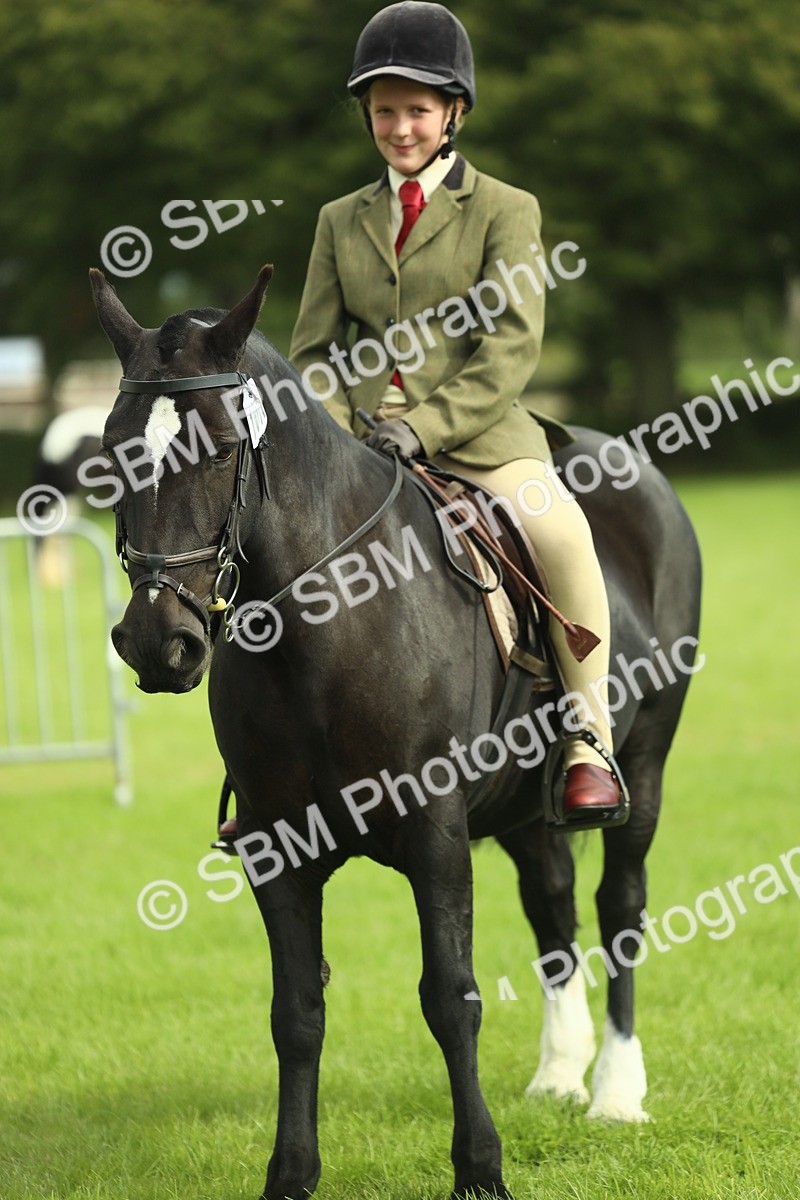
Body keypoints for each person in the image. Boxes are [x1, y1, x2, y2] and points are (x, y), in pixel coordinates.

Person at [287, 1, 622, 825]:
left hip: (478, 437)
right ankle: (266, 771)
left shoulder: (507, 208)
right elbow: (312, 351)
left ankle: (589, 741)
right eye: (384, 111)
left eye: (416, 110)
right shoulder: (338, 220)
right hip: (359, 444)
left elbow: (511, 346)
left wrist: (423, 427)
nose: (400, 128)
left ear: (454, 113)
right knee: (266, 547)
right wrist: (338, 434)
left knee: (562, 535)